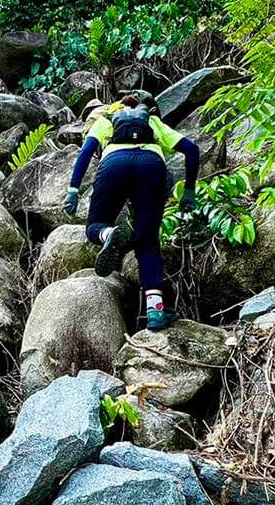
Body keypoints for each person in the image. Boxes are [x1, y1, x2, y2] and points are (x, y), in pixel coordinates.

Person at [62, 94, 199, 331]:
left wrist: (73, 190)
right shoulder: (152, 122)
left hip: (113, 165)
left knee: (94, 226)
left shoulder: (106, 120)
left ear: (118, 107)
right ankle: (155, 312)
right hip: (151, 166)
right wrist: (189, 191)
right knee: (148, 243)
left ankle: (108, 234)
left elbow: (85, 153)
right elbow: (192, 150)